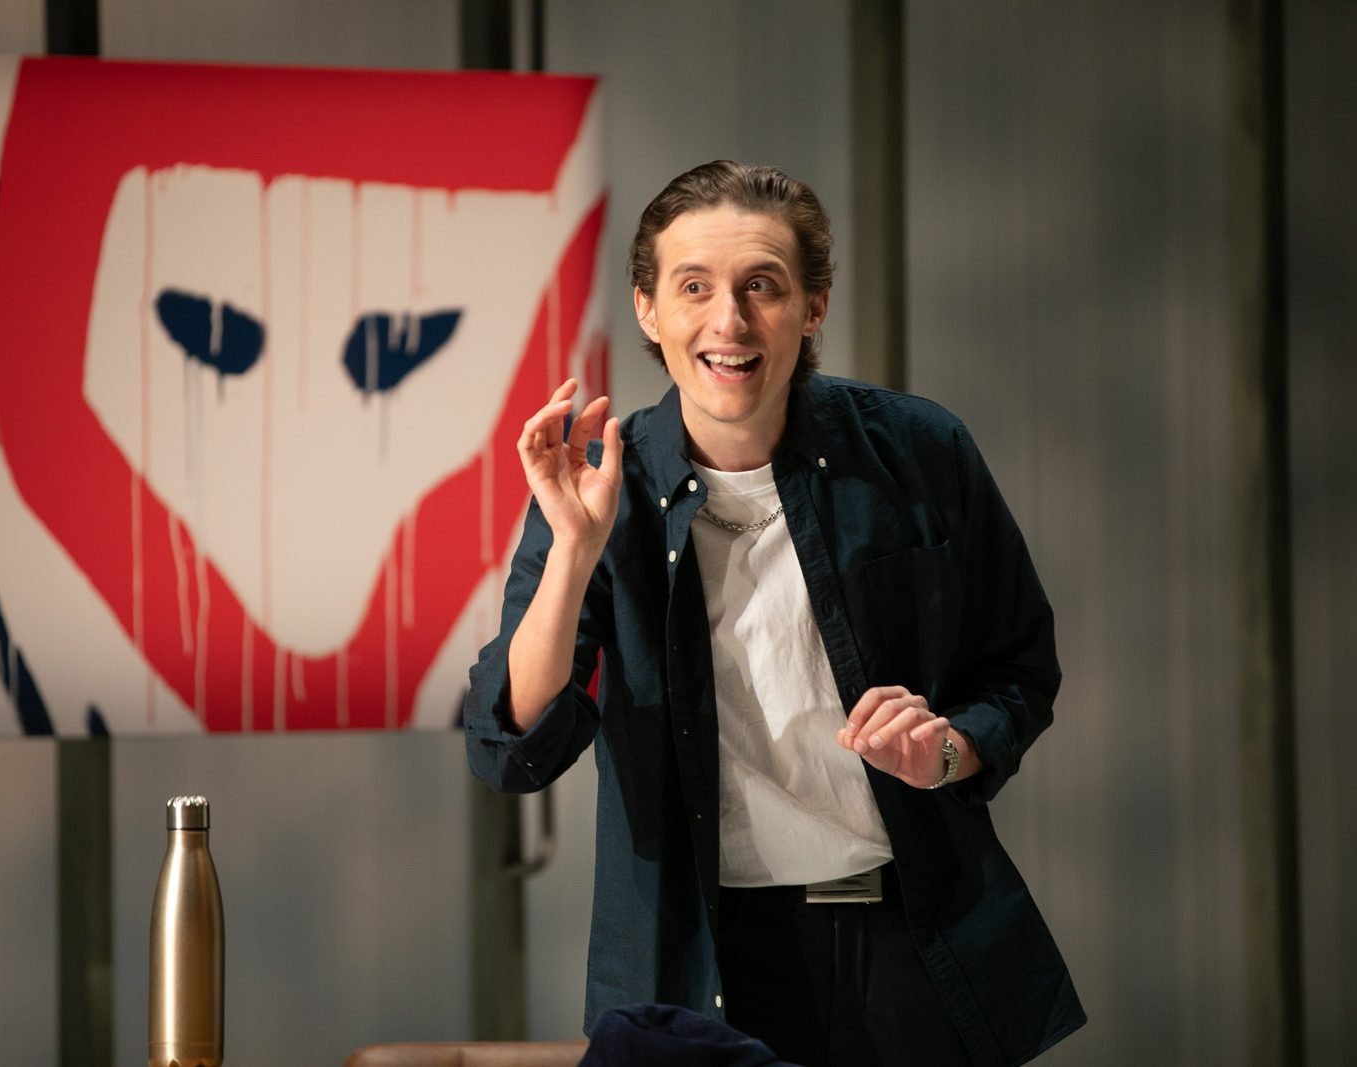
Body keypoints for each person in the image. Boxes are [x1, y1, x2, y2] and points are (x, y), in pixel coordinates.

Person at [464, 160, 1084, 1066]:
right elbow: (512, 745)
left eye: (762, 285)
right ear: (646, 309)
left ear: (813, 305)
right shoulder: (601, 486)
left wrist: (947, 750)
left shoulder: (918, 451)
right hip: (702, 954)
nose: (729, 321)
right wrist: (572, 551)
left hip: (911, 938)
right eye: (693, 287)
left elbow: (1020, 667)